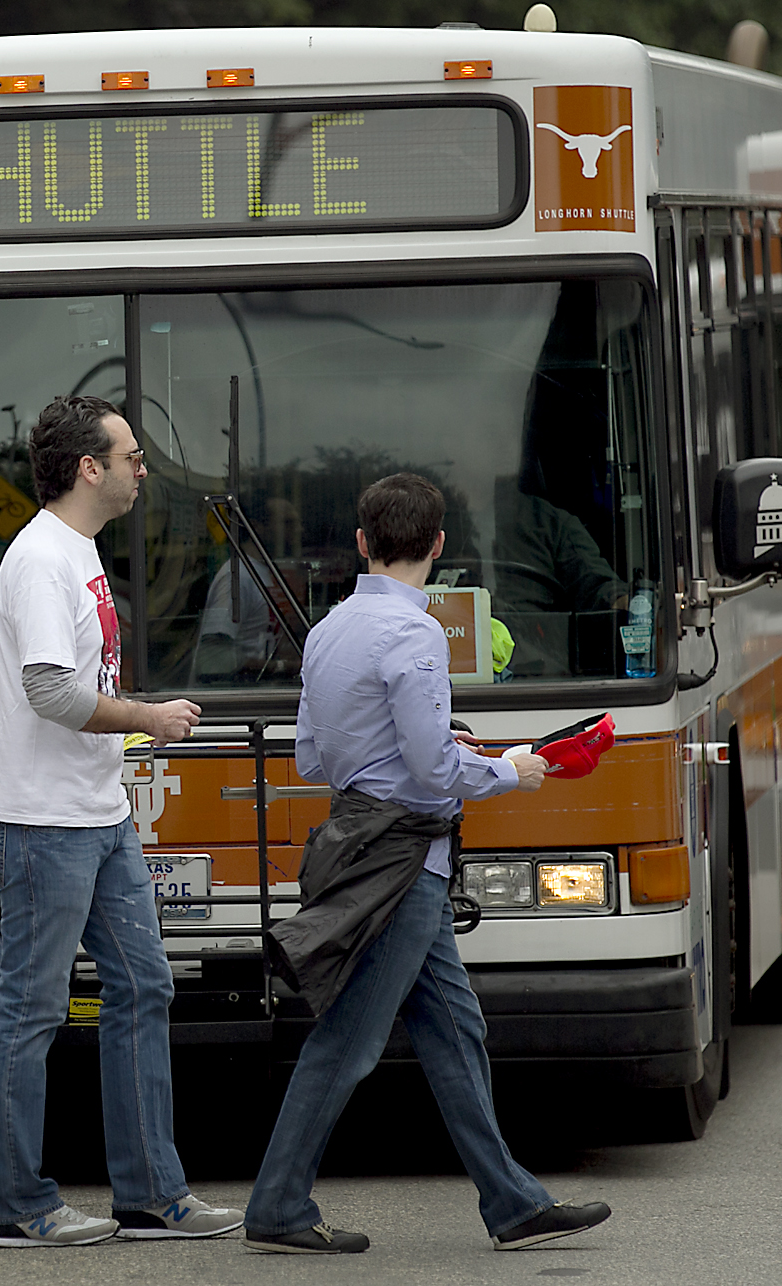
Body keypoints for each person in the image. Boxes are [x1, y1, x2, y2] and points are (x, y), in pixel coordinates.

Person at [244, 473, 612, 1254]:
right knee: (347, 1040)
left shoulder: (327, 630)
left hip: (366, 846)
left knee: (454, 1030)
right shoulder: (416, 638)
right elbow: (436, 772)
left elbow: (313, 757)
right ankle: (276, 1206)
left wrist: (422, 753)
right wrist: (512, 767)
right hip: (405, 863)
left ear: (362, 542)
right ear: (440, 547)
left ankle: (513, 1202)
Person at [0, 395, 241, 1248]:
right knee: (32, 1007)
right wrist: (145, 717)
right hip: (44, 819)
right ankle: (18, 1205)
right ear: (90, 468)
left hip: (93, 811)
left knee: (143, 985)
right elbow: (50, 691)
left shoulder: (71, 551)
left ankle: (152, 1196)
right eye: (131, 454)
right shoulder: (43, 559)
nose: (142, 468)